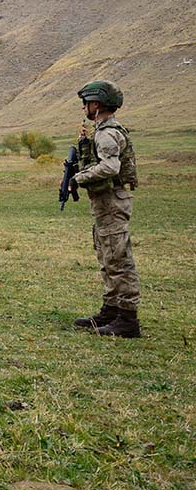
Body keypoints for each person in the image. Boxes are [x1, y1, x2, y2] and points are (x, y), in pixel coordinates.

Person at [71, 80, 140, 338]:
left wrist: (79, 178)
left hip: (112, 200)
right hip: (104, 201)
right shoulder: (101, 130)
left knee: (118, 258)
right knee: (107, 255)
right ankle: (111, 310)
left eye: (86, 103)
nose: (84, 109)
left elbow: (110, 168)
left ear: (96, 104)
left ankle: (127, 319)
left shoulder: (107, 133)